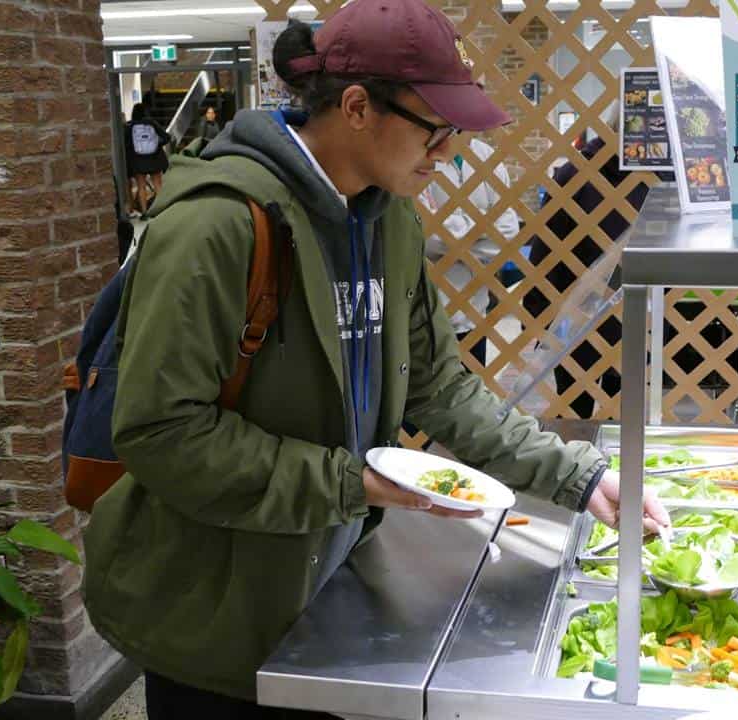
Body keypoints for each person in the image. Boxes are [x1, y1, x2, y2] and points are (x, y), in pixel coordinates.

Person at [82, 4, 670, 718]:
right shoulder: (217, 226)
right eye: (436, 128)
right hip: (214, 619)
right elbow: (159, 434)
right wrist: (352, 481)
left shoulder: (389, 220)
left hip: (325, 593)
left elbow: (441, 388)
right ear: (358, 106)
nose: (448, 151)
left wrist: (582, 480)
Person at [523, 104, 674, 418]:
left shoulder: (661, 179)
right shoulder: (577, 175)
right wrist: (542, 316)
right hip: (578, 319)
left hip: (629, 319)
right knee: (580, 413)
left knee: (619, 416)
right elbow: (547, 254)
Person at [418, 134, 520, 367]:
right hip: (429, 315)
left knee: (471, 395)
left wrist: (452, 227)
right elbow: (426, 234)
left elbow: (508, 233)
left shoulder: (487, 157)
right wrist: (485, 225)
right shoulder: (422, 153)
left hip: (476, 315)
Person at [124, 102, 170, 219]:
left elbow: (127, 144)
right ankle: (161, 210)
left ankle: (144, 213)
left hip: (138, 161)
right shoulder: (152, 123)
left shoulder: (131, 126)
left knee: (141, 187)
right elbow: (167, 137)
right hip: (154, 159)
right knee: (158, 185)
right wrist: (156, 144)